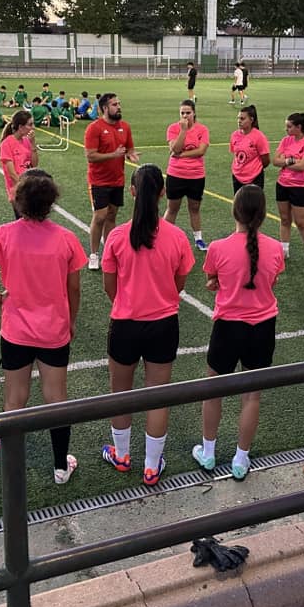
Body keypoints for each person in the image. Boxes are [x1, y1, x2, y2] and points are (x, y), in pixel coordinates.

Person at [0, 170, 87, 484]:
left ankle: (13, 466)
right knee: (56, 398)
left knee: (14, 400)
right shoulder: (66, 239)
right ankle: (61, 466)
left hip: (15, 331)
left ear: (19, 201)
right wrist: (70, 320)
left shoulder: (4, 234)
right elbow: (75, 289)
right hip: (54, 331)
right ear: (51, 203)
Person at [101, 164, 195, 486]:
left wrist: (127, 300)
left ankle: (122, 455)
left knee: (120, 394)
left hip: (125, 324)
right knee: (157, 396)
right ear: (163, 193)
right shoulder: (177, 237)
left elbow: (109, 286)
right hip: (163, 325)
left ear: (131, 192)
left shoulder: (116, 236)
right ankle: (151, 467)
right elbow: (179, 281)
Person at [193, 185, 284, 479]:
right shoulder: (274, 248)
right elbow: (271, 280)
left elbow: (213, 278)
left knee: (213, 391)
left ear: (235, 211)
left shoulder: (218, 247)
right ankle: (241, 459)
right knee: (252, 396)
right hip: (262, 327)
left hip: (228, 327)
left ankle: (208, 452)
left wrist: (218, 284)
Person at [84, 93, 139, 270]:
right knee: (99, 216)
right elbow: (90, 156)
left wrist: (132, 155)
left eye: (119, 103)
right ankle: (93, 254)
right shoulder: (94, 128)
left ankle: (109, 251)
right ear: (105, 108)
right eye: (115, 104)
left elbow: (129, 148)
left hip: (117, 180)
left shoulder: (125, 127)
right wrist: (113, 155)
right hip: (99, 180)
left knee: (112, 216)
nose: (119, 107)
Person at [272, 112, 304, 265]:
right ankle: (284, 250)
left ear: (299, 127)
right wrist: (291, 161)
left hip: (300, 187)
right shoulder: (286, 140)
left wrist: (286, 161)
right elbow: (275, 160)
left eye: (289, 126)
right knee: (285, 219)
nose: (286, 129)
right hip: (282, 184)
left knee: (301, 222)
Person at [164, 100, 210, 251]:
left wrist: (181, 155)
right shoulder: (173, 128)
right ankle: (164, 237)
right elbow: (174, 148)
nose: (185, 116)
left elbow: (201, 151)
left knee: (195, 208)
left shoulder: (202, 130)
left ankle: (198, 238)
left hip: (196, 176)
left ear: (194, 113)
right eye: (182, 113)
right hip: (176, 175)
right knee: (172, 208)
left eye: (188, 113)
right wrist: (183, 131)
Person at [0, 110, 39, 217]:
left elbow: (34, 165)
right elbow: (12, 174)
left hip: (29, 188)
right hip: (19, 191)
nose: (33, 127)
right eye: (30, 124)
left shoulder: (26, 141)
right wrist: (25, 189)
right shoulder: (7, 144)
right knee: (24, 223)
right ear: (21, 127)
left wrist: (33, 144)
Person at [229, 105, 270, 193]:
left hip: (254, 178)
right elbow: (235, 155)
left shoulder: (259, 137)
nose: (239, 121)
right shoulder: (234, 135)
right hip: (237, 176)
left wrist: (253, 169)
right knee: (239, 205)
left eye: (242, 119)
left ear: (251, 120)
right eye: (238, 118)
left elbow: (266, 160)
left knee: (253, 205)